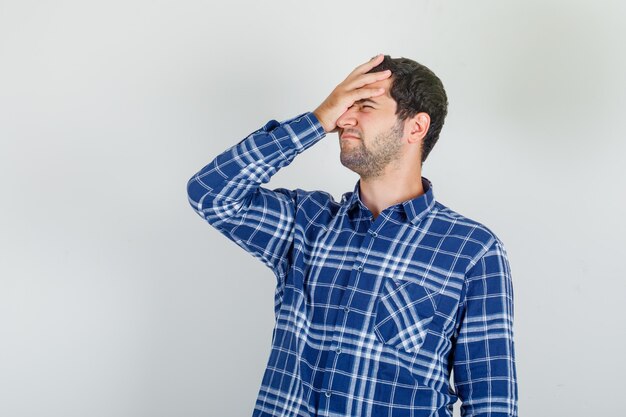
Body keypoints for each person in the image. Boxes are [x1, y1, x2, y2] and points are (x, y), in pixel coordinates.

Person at [186, 54, 518, 417]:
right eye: (343, 106)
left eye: (364, 106)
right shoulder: (306, 223)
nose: (343, 118)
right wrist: (315, 120)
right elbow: (211, 192)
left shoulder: (472, 250)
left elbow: (491, 402)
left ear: (416, 127)